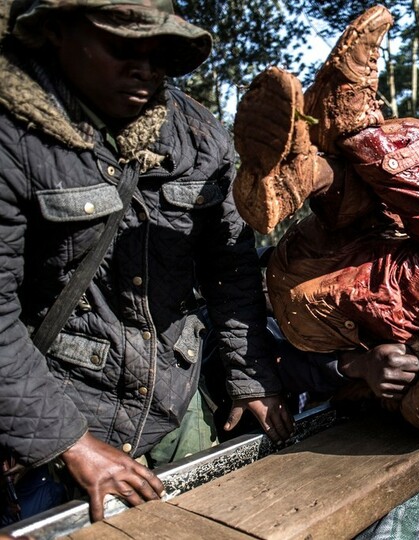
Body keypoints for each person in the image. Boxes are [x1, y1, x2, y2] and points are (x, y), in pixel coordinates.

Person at [0, 0, 293, 523]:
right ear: (55, 33)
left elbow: (231, 266)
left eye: (162, 53)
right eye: (122, 45)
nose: (147, 68)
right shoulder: (13, 137)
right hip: (55, 419)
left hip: (176, 404)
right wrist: (68, 442)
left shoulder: (198, 135)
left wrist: (251, 378)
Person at [234, 5, 419, 354]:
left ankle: (349, 130)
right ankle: (305, 173)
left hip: (320, 310)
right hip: (337, 260)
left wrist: (362, 368)